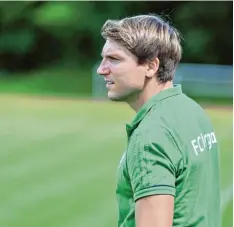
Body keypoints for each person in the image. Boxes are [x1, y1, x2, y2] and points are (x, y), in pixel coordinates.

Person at [97, 14, 221, 227]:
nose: (101, 69)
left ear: (151, 66)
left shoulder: (150, 135)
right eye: (103, 58)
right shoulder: (192, 110)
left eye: (114, 59)